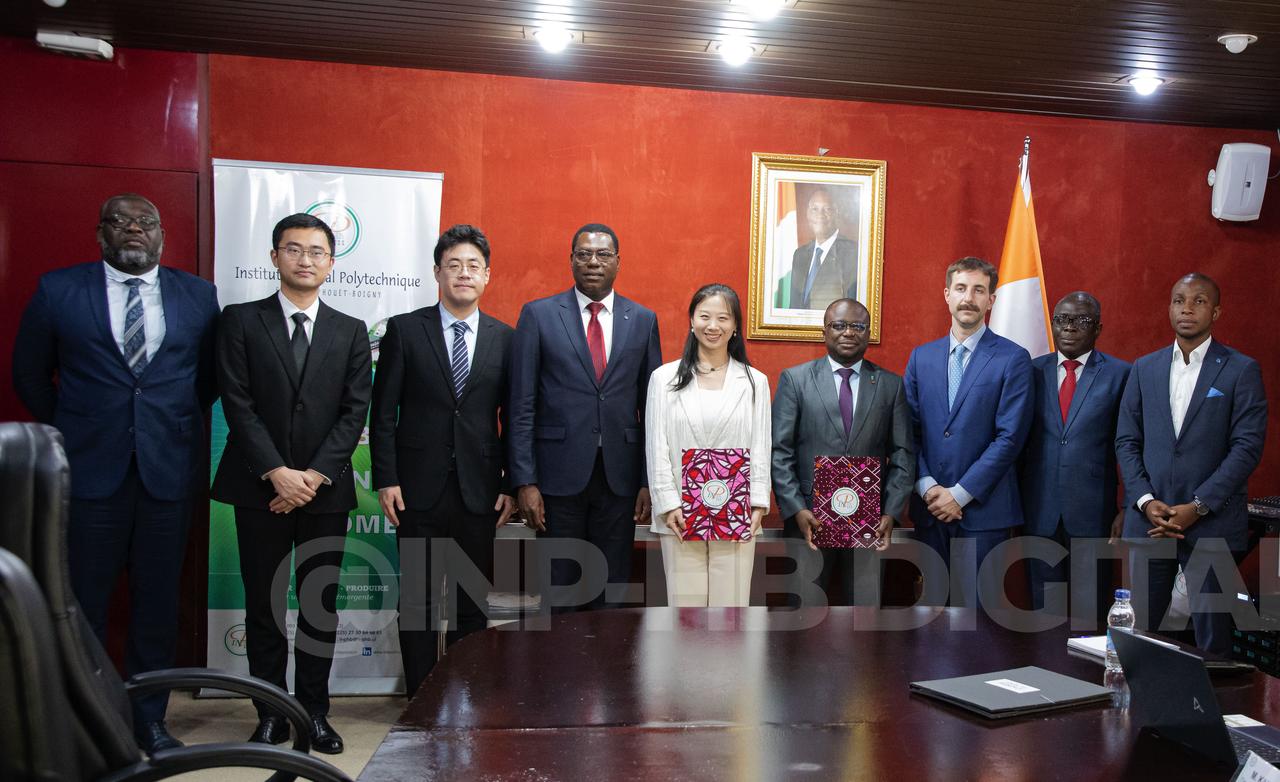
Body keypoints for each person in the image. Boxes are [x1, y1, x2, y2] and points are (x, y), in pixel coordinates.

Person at [11, 193, 219, 753]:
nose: (134, 229)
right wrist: (75, 429)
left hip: (166, 476)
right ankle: (86, 719)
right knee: (82, 602)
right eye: (120, 221)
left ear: (162, 236)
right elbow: (29, 375)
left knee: (157, 605)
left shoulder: (199, 296)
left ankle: (148, 720)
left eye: (145, 221)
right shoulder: (58, 290)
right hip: (89, 475)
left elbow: (205, 381)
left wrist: (161, 427)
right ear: (100, 233)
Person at [210, 213, 372, 754]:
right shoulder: (240, 320)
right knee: (264, 605)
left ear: (332, 263)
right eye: (294, 249)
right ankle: (272, 714)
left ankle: (315, 713)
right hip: (259, 487)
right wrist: (276, 472)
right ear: (274, 256)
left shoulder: (350, 330)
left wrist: (314, 476)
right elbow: (237, 402)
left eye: (317, 251)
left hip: (325, 492)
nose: (306, 259)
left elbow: (354, 412)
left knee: (318, 605)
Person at [369, 224, 515, 697]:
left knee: (472, 602)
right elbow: (383, 411)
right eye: (454, 265)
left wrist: (510, 484)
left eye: (473, 266)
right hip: (416, 489)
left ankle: (464, 698)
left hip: (480, 491)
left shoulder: (505, 338)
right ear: (437, 272)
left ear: (487, 275)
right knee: (419, 602)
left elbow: (513, 417)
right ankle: (421, 701)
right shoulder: (405, 330)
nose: (463, 273)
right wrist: (386, 477)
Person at [507, 223, 662, 611]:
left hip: (619, 480)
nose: (594, 262)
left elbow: (653, 410)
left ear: (618, 262)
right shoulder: (539, 315)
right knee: (559, 592)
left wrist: (648, 481)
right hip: (556, 481)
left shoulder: (642, 320)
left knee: (612, 593)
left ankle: (608, 655)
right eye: (584, 254)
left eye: (603, 254)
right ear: (571, 260)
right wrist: (524, 481)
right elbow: (521, 405)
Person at [1115, 273, 1266, 654]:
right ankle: (1144, 695)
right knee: (1141, 636)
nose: (1187, 308)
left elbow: (1247, 448)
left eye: (1199, 301)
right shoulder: (1144, 368)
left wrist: (1198, 507)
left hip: (1211, 523)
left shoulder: (1240, 369)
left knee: (1213, 643)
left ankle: (1216, 697)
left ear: (1216, 312)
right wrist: (1146, 501)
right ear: (1169, 308)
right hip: (1151, 522)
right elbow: (1127, 441)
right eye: (1179, 300)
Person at [903, 256, 1033, 607]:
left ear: (991, 300)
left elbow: (1009, 438)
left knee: (976, 621)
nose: (968, 298)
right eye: (961, 288)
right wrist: (928, 487)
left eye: (978, 290)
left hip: (983, 513)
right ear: (947, 294)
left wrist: (959, 495)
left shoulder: (1013, 359)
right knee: (929, 615)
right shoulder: (921, 358)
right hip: (930, 510)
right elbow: (908, 433)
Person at [771, 298, 914, 605]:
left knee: (864, 617)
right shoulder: (795, 380)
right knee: (803, 616)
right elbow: (780, 452)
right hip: (809, 521)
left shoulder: (891, 385)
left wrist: (891, 512)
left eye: (857, 326)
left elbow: (903, 454)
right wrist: (797, 510)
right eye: (839, 325)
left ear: (868, 333)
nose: (848, 332)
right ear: (824, 331)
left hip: (870, 523)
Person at [645, 284, 771, 606]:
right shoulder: (663, 379)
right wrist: (668, 504)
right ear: (691, 320)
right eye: (704, 316)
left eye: (723, 318)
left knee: (731, 611)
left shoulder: (755, 382)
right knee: (685, 611)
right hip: (680, 513)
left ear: (735, 326)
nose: (713, 326)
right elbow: (656, 446)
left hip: (737, 510)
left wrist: (758, 502)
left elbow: (761, 445)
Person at [1018, 292, 1130, 623]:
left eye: (1081, 320)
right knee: (1044, 616)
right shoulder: (1030, 371)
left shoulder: (1120, 374)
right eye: (1062, 320)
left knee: (1089, 615)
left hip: (1094, 515)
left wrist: (1127, 506)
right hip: (1039, 512)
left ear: (1098, 328)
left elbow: (1130, 445)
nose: (1069, 327)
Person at [788, 188, 858, 310]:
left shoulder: (852, 253)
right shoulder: (800, 255)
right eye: (815, 209)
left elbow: (851, 308)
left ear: (836, 213)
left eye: (827, 209)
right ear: (808, 214)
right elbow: (794, 306)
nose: (820, 215)